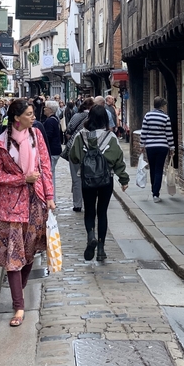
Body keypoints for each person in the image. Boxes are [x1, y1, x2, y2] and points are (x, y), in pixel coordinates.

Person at [0, 98, 55, 327]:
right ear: (17, 118)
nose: (33, 117)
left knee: (30, 250)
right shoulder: (1, 143)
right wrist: (22, 179)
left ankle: (19, 288)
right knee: (13, 254)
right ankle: (19, 305)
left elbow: (45, 167)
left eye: (33, 114)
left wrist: (50, 196)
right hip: (11, 205)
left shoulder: (36, 135)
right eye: (29, 114)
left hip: (36, 201)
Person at [69, 103, 129, 261]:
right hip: (106, 180)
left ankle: (91, 236)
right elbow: (118, 160)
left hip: (87, 179)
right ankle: (101, 249)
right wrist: (123, 179)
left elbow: (73, 156)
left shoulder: (81, 136)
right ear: (105, 119)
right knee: (102, 212)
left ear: (90, 118)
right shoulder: (111, 137)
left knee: (89, 211)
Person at [140, 96, 175, 203]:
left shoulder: (148, 116)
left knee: (152, 168)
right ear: (162, 106)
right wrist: (172, 147)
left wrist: (142, 145)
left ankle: (153, 190)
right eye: (165, 105)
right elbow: (169, 134)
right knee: (159, 169)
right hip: (162, 146)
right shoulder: (165, 117)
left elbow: (144, 131)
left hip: (150, 146)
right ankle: (156, 193)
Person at [64, 97, 94, 212]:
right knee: (88, 177)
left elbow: (69, 128)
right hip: (89, 150)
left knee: (76, 178)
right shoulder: (93, 117)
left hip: (75, 148)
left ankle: (77, 204)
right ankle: (88, 202)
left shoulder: (77, 115)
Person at [42, 99, 63, 180]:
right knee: (51, 171)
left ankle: (50, 187)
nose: (44, 109)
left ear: (50, 109)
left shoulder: (50, 121)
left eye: (46, 107)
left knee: (49, 172)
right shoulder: (55, 119)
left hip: (52, 150)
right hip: (55, 149)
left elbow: (48, 136)